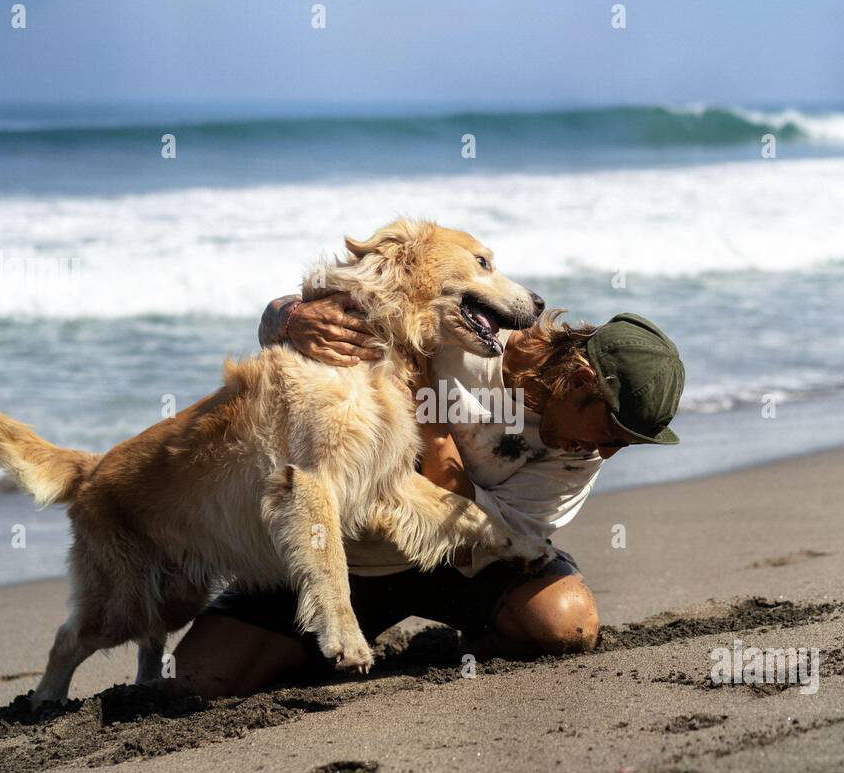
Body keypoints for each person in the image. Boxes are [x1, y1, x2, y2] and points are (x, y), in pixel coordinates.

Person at [170, 291, 685, 696]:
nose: (608, 454)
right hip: (346, 555)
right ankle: (325, 640)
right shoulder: (468, 323)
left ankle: (470, 640)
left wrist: (434, 427)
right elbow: (299, 321)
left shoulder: (579, 453)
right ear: (578, 379)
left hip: (459, 566)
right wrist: (292, 319)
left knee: (566, 625)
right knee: (194, 682)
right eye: (613, 434)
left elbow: (471, 543)